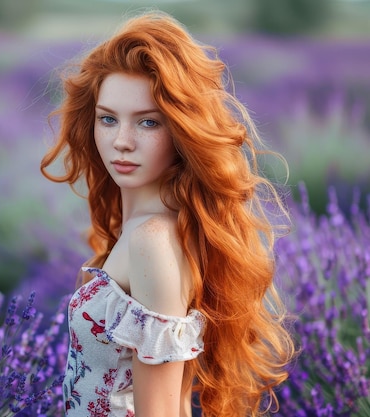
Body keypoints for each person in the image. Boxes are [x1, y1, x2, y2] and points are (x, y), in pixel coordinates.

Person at [40, 11, 296, 417]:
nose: (121, 142)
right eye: (108, 119)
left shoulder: (153, 241)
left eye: (147, 122)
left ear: (181, 130)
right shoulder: (159, 228)